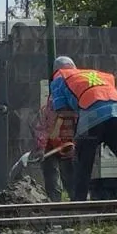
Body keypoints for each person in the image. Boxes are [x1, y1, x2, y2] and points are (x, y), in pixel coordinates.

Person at [51, 60, 117, 201]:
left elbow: (64, 113)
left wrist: (67, 139)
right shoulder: (96, 74)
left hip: (92, 114)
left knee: (83, 161)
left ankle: (78, 204)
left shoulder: (59, 77)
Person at [32, 56, 78, 201]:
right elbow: (46, 125)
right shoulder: (56, 98)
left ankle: (75, 206)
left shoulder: (67, 93)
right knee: (53, 178)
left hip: (66, 143)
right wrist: (41, 147)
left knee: (69, 178)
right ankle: (56, 206)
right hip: (53, 143)